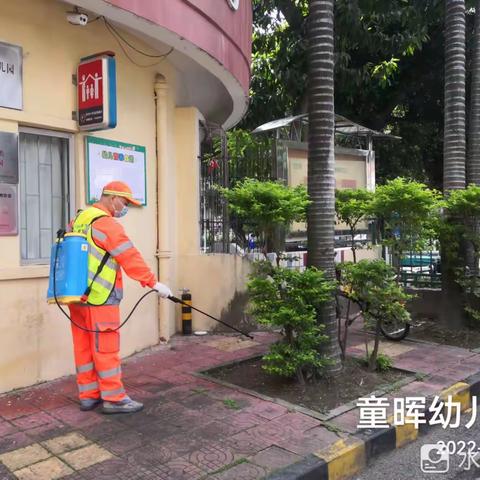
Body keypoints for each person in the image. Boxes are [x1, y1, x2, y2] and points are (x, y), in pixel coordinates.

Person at [67, 181, 172, 414]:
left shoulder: (79, 219)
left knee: (83, 346)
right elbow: (129, 256)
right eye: (124, 202)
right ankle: (114, 398)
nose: (124, 208)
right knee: (106, 348)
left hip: (76, 296)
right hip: (101, 297)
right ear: (112, 197)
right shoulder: (106, 224)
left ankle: (88, 395)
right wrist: (153, 283)